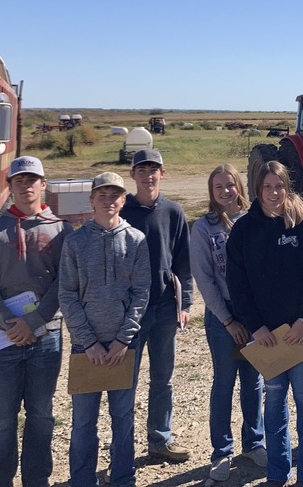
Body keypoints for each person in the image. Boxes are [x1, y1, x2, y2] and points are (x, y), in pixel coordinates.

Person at [0, 155, 70, 487]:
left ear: (43, 184)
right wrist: (10, 324)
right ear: (10, 187)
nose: (26, 186)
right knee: (2, 419)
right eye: (19, 181)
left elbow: (64, 282)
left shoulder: (61, 230)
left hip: (47, 337)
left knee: (41, 415)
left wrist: (36, 320)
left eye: (32, 180)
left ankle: (37, 479)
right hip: (2, 341)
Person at [227, 161, 303, 487]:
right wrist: (255, 327)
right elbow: (237, 284)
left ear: (288, 187)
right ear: (257, 190)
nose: (274, 193)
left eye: (279, 186)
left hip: (302, 330)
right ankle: (277, 473)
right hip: (266, 335)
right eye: (267, 187)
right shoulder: (243, 229)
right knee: (274, 399)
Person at [59, 171, 152, 487]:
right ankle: (82, 479)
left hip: (122, 349)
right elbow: (67, 294)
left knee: (123, 418)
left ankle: (123, 477)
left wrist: (123, 339)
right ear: (91, 201)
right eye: (102, 195)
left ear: (124, 200)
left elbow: (142, 292)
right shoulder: (75, 242)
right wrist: (89, 341)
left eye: (115, 195)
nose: (109, 200)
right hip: (86, 349)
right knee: (83, 421)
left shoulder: (136, 240)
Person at [191, 164, 267, 482]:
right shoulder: (204, 228)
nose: (225, 191)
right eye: (218, 186)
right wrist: (227, 320)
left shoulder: (256, 220)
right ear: (211, 192)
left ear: (239, 187)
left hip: (255, 315)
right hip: (223, 316)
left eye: (230, 185)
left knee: (254, 381)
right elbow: (205, 279)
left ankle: (254, 442)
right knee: (224, 383)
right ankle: (222, 452)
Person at [120, 148, 193, 463]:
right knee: (125, 383)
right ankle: (123, 452)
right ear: (133, 175)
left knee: (162, 379)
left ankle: (160, 440)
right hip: (130, 313)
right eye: (142, 170)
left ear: (162, 174)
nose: (148, 176)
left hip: (164, 309)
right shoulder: (122, 211)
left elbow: (183, 263)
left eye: (154, 170)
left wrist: (185, 302)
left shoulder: (173, 212)